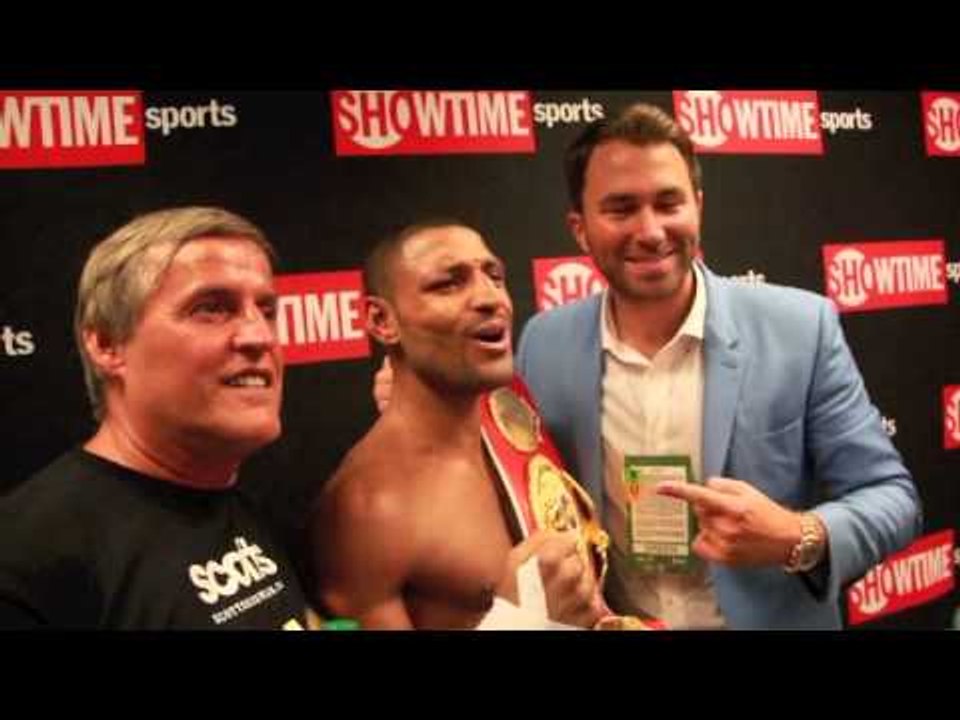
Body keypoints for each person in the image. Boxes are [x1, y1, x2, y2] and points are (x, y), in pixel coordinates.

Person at [375, 105, 922, 629]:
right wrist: (421, 396)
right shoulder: (544, 342)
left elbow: (893, 498)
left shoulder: (801, 327)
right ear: (580, 228)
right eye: (620, 208)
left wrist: (798, 535)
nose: (651, 229)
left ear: (698, 207)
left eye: (669, 203)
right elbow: (505, 458)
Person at [0, 206, 312, 629]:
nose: (259, 336)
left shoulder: (235, 496)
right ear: (108, 344)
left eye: (267, 311)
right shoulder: (27, 557)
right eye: (211, 308)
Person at [307, 221, 606, 629]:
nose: (490, 298)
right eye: (449, 284)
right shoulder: (368, 509)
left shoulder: (514, 425)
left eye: (494, 276)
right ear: (381, 320)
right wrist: (516, 622)